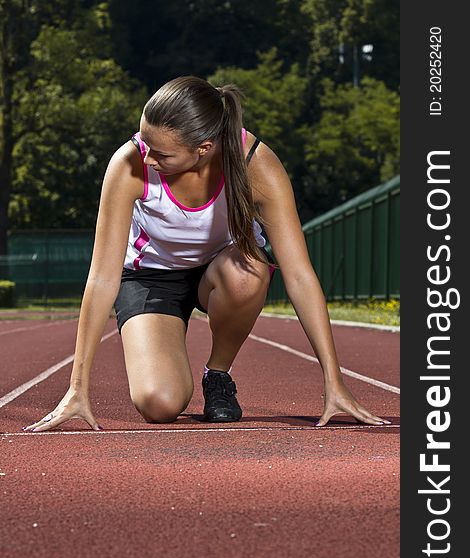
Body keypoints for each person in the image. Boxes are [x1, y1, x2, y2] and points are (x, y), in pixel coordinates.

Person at [22, 76, 390, 433]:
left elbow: (299, 275)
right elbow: (102, 277)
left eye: (161, 152)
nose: (146, 157)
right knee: (159, 403)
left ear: (204, 148)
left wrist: (334, 381)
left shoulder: (255, 164)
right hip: (151, 277)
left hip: (222, 269)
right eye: (144, 139)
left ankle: (218, 373)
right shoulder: (129, 164)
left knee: (249, 271)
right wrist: (77, 387)